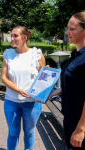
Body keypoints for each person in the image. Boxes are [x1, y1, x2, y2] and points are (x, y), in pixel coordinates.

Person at [1, 26, 46, 150]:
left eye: (15, 36)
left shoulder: (36, 54)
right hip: (11, 101)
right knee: (13, 133)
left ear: (25, 38)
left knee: (29, 133)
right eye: (11, 35)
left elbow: (43, 78)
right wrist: (19, 90)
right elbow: (4, 78)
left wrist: (47, 74)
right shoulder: (8, 54)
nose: (12, 38)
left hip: (32, 103)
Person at [48, 12, 85, 150]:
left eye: (72, 29)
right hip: (70, 119)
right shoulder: (75, 55)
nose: (67, 32)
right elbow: (76, 84)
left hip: (80, 123)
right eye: (68, 28)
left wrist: (81, 129)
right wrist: (54, 92)